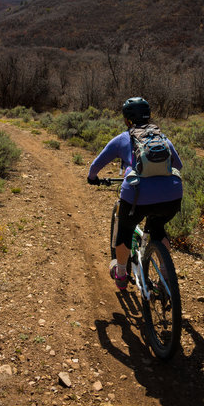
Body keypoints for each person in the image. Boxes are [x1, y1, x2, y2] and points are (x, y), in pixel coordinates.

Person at [87, 97, 183, 290]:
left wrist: (93, 178)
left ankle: (121, 275)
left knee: (124, 232)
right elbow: (178, 165)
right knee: (157, 229)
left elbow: (95, 166)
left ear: (127, 119)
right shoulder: (162, 138)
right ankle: (166, 277)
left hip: (136, 197)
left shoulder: (123, 139)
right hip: (172, 196)